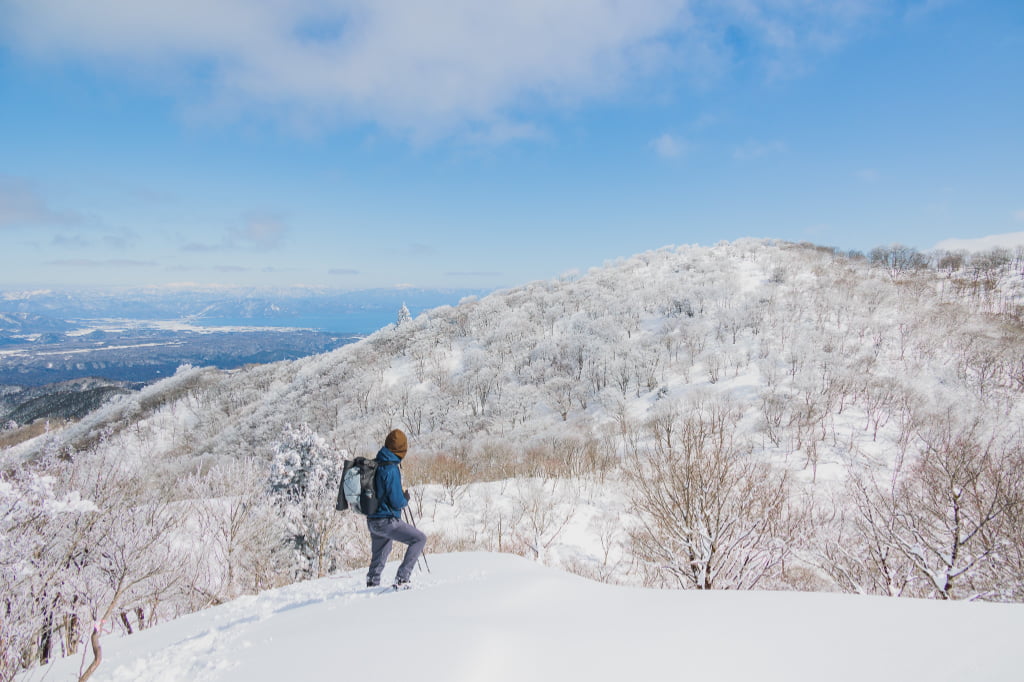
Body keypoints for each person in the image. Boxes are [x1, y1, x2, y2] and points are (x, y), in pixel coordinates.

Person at [366, 429, 427, 589]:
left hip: (373, 519)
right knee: (419, 539)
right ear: (401, 450)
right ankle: (402, 578)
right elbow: (396, 501)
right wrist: (405, 497)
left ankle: (372, 581)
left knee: (381, 551)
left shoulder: (376, 463)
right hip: (387, 520)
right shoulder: (391, 469)